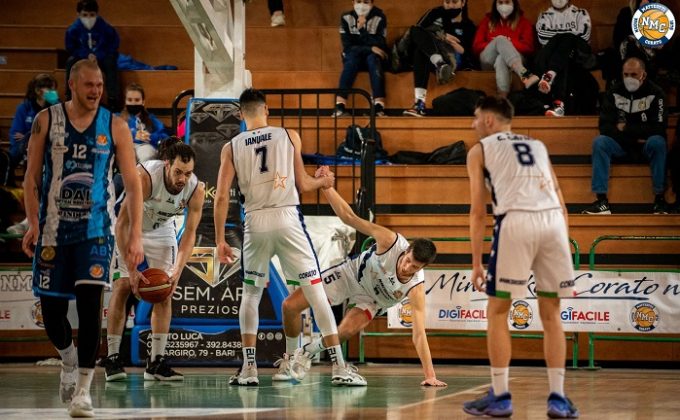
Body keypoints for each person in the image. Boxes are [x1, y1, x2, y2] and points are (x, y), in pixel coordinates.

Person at [214, 88, 364, 386]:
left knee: (251, 295)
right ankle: (339, 367)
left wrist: (220, 239)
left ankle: (249, 369)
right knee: (315, 292)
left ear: (241, 114)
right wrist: (325, 181)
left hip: (255, 221)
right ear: (266, 109)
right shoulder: (288, 135)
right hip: (287, 218)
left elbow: (220, 197)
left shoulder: (230, 147)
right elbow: (304, 184)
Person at [22, 58, 143, 418]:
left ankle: (84, 391)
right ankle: (68, 358)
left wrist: (135, 235)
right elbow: (31, 178)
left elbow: (134, 185)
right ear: (72, 85)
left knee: (91, 310)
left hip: (96, 233)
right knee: (52, 314)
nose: (96, 91)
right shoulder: (46, 120)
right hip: (52, 232)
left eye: (100, 85)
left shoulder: (115, 126)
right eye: (89, 85)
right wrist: (32, 223)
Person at [462, 96, 578, 418]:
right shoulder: (538, 145)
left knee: (498, 310)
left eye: (476, 118)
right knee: (552, 314)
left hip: (516, 221)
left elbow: (478, 211)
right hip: (553, 222)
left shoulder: (479, 150)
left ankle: (500, 395)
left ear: (489, 120)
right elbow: (560, 199)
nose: (473, 124)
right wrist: (563, 243)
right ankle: (558, 398)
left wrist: (476, 262)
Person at [280, 182, 446, 387]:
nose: (407, 268)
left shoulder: (416, 287)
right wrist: (326, 187)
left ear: (422, 268)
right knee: (290, 306)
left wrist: (430, 375)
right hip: (350, 275)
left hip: (371, 300)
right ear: (406, 251)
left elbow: (419, 334)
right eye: (408, 260)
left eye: (414, 267)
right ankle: (289, 357)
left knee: (346, 331)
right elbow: (349, 218)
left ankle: (307, 351)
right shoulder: (390, 241)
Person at [100, 138, 204, 383]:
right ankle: (112, 358)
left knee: (165, 291)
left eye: (188, 173)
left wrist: (177, 269)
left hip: (162, 228)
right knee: (123, 285)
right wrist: (134, 269)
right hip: (130, 226)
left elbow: (190, 233)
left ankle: (156, 362)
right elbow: (123, 224)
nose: (182, 178)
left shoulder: (195, 189)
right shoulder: (145, 177)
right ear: (167, 164)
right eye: (178, 172)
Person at [582, 57, 668, 215]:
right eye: (626, 74)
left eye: (633, 74)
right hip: (621, 145)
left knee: (658, 142)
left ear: (643, 75)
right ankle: (601, 201)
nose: (629, 78)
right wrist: (634, 137)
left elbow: (658, 128)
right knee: (600, 142)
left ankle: (660, 200)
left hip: (646, 146)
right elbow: (605, 127)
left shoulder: (656, 93)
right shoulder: (613, 92)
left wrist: (626, 128)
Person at [401, 0, 477, 117]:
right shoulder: (434, 13)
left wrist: (451, 43)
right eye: (447, 2)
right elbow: (417, 31)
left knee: (421, 51)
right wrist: (442, 36)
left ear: (463, 3)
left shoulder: (468, 26)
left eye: (454, 2)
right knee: (417, 40)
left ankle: (419, 103)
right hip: (432, 54)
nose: (450, 6)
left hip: (452, 58)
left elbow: (467, 52)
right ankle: (439, 64)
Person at [533, 0, 594, 117]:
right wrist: (567, 35)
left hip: (579, 53)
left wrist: (563, 36)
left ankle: (549, 78)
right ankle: (559, 105)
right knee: (563, 59)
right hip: (559, 56)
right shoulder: (544, 15)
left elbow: (584, 35)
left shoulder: (580, 13)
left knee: (568, 39)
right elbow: (542, 36)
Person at [331, 0, 388, 118]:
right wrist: (370, 48)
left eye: (366, 2)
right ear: (353, 2)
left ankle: (379, 106)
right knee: (351, 59)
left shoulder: (380, 17)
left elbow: (380, 44)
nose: (361, 5)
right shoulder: (346, 17)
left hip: (372, 58)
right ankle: (339, 106)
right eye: (358, 1)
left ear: (372, 4)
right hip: (354, 56)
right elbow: (348, 47)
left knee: (373, 59)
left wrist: (362, 30)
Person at [472, 0, 538, 98]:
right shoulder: (486, 21)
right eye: (500, 2)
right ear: (495, 4)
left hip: (514, 60)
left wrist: (508, 43)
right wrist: (497, 43)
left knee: (501, 58)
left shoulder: (524, 22)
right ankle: (525, 75)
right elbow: (476, 46)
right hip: (488, 60)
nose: (504, 5)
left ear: (514, 4)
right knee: (500, 39)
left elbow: (528, 48)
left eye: (507, 2)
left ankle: (502, 97)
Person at [65, 0, 120, 110]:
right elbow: (71, 48)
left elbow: (113, 45)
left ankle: (113, 99)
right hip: (81, 58)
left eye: (92, 15)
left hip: (102, 57)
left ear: (96, 14)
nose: (88, 18)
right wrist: (86, 55)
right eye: (85, 15)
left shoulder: (106, 28)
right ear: (78, 14)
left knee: (111, 62)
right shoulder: (73, 30)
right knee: (70, 62)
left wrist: (97, 56)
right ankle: (70, 96)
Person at [9, 74, 60, 168]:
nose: (54, 92)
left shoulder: (58, 108)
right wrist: (30, 138)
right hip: (26, 147)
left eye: (54, 89)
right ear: (38, 91)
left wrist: (30, 136)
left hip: (49, 145)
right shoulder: (24, 108)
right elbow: (15, 136)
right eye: (50, 89)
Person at [118, 83, 167, 163]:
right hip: (125, 146)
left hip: (144, 147)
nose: (133, 103)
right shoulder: (118, 118)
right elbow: (112, 134)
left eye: (137, 100)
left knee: (147, 154)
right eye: (130, 100)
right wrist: (134, 135)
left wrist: (150, 136)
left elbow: (164, 136)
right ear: (125, 101)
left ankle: (143, 171)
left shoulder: (151, 119)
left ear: (143, 102)